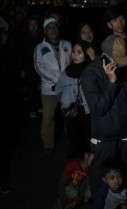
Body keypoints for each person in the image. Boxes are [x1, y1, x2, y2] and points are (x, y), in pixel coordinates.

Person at [80, 34, 127, 209]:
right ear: (104, 55)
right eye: (118, 61)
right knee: (101, 175)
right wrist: (111, 82)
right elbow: (99, 108)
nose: (122, 65)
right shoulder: (90, 74)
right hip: (105, 136)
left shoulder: (124, 67)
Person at [34, 17, 72, 154]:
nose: (53, 29)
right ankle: (48, 144)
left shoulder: (67, 44)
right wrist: (57, 79)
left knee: (69, 116)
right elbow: (39, 68)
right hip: (49, 89)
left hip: (67, 88)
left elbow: (72, 64)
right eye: (50, 27)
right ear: (45, 30)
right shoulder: (40, 48)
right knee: (48, 118)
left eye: (55, 26)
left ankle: (72, 141)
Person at [55, 40, 93, 159]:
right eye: (73, 52)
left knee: (88, 141)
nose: (75, 55)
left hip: (88, 113)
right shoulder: (66, 73)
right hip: (72, 112)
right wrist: (66, 103)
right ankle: (75, 170)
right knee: (74, 142)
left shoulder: (91, 72)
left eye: (79, 52)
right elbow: (59, 90)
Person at [17, 15, 43, 119]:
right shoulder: (24, 38)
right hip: (28, 68)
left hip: (40, 68)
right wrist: (22, 69)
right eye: (31, 24)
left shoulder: (41, 37)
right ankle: (32, 109)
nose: (33, 27)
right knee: (31, 89)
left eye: (35, 24)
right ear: (28, 26)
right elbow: (20, 54)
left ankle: (39, 106)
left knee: (40, 88)